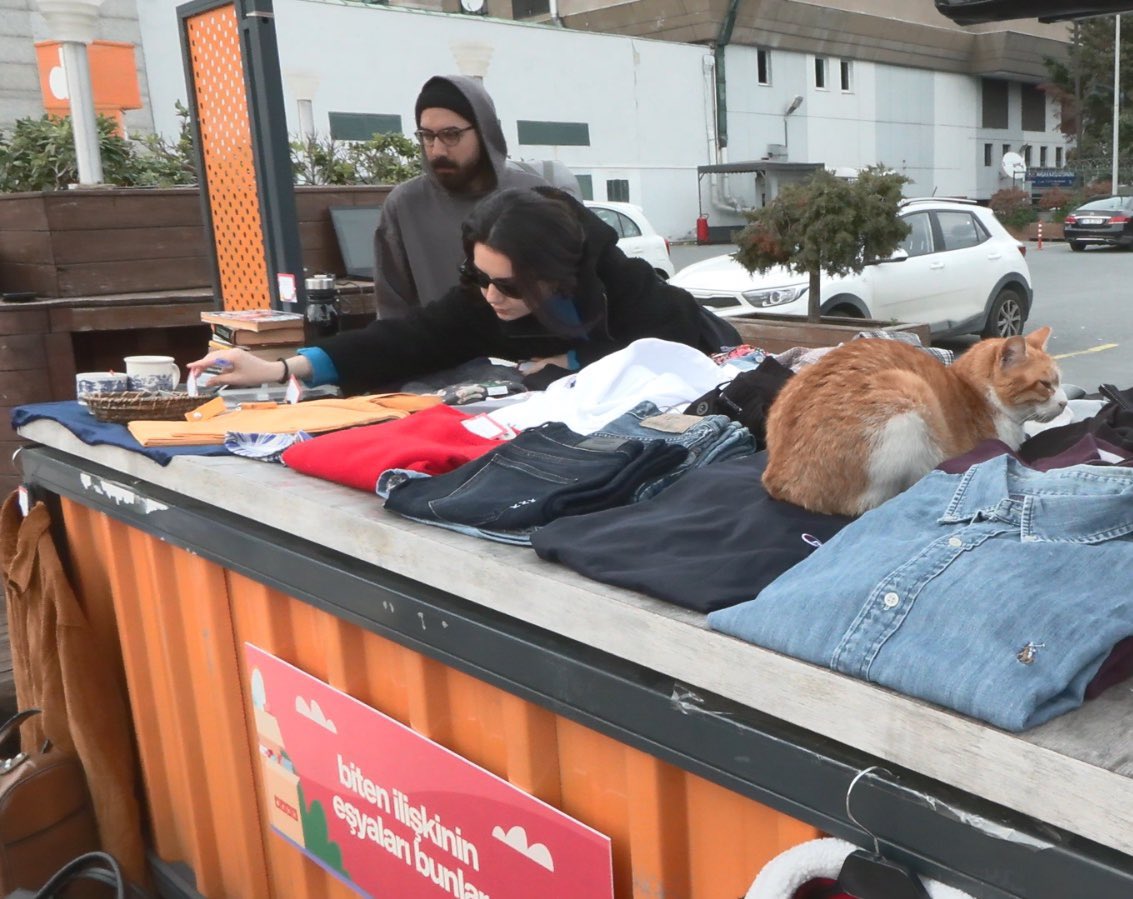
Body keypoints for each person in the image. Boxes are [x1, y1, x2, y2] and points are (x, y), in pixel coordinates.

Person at [189, 187, 739, 395]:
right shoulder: (484, 299)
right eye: (477, 276)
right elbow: (406, 339)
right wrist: (282, 368)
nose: (490, 296)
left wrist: (570, 356)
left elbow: (671, 354)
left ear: (556, 276)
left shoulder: (630, 289)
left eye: (508, 284)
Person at [373, 75, 548, 318]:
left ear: (483, 131)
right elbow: (392, 311)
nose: (437, 150)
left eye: (451, 134)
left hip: (536, 352)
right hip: (439, 352)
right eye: (427, 135)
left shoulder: (538, 196)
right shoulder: (404, 205)